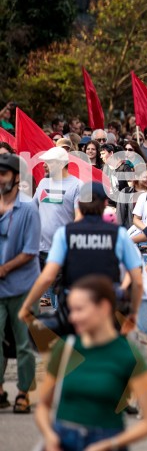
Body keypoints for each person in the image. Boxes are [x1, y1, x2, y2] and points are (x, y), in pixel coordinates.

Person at [33, 275, 147, 451]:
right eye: (71, 310)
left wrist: (110, 444)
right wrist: (50, 436)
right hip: (63, 441)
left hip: (106, 441)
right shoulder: (65, 348)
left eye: (79, 310)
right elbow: (42, 408)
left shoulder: (128, 355)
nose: (72, 317)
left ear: (104, 307)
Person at [21, 181, 144, 334]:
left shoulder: (65, 233)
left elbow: (47, 277)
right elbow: (138, 281)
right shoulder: (119, 234)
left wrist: (26, 305)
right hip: (106, 309)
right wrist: (133, 313)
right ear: (105, 203)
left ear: (79, 203)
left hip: (74, 310)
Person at [0, 154, 40, 413]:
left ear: (16, 178)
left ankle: (24, 391)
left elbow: (30, 251)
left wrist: (4, 268)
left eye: (3, 174)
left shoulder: (28, 209)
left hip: (23, 285)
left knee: (23, 342)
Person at [33, 146, 82, 304]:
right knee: (42, 298)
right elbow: (32, 210)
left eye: (48, 162)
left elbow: (79, 218)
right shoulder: (43, 182)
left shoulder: (77, 185)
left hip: (62, 251)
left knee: (59, 298)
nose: (43, 165)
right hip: (39, 250)